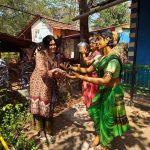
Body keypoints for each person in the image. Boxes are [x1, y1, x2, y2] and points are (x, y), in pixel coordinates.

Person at [66, 30, 130, 150]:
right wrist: (71, 68)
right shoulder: (102, 58)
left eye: (99, 39)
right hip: (103, 91)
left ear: (107, 40)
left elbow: (106, 80)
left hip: (112, 93)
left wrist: (81, 77)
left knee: (107, 118)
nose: (97, 42)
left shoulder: (113, 60)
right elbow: (88, 69)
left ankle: (105, 145)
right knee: (93, 110)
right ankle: (100, 134)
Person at [30, 35, 64, 137]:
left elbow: (55, 72)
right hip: (38, 83)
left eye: (54, 44)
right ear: (46, 45)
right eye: (51, 45)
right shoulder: (40, 55)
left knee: (49, 106)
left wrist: (59, 74)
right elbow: (42, 72)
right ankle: (40, 130)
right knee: (40, 106)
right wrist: (55, 70)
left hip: (50, 84)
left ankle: (48, 130)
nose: (53, 47)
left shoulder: (56, 56)